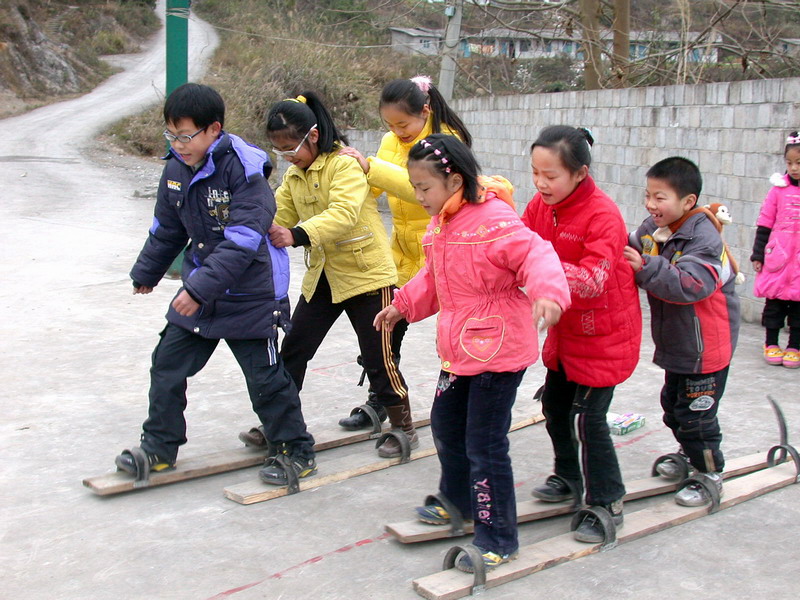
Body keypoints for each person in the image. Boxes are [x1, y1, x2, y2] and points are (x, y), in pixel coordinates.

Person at [373, 134, 571, 573]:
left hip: (498, 351)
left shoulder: (493, 219)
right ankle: (457, 502)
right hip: (460, 350)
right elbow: (434, 277)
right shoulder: (443, 221)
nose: (418, 196)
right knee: (446, 424)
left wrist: (549, 294)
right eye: (415, 187)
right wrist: (402, 305)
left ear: (454, 180)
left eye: (424, 188)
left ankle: (497, 535)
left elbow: (537, 255)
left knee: (484, 443)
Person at [115, 83, 316, 487]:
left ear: (214, 129)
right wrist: (147, 272)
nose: (178, 144)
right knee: (167, 365)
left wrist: (195, 290)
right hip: (203, 290)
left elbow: (241, 243)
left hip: (249, 294)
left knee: (265, 381)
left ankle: (296, 450)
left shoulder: (242, 169)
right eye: (170, 135)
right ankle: (158, 447)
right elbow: (167, 227)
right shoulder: (175, 169)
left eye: (185, 135)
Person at [241, 91, 416, 459]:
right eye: (281, 151)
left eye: (292, 147)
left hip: (368, 276)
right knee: (294, 350)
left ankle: (402, 425)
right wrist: (248, 232)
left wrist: (297, 235)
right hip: (323, 275)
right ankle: (279, 421)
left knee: (378, 356)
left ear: (314, 135)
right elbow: (279, 214)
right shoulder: (294, 175)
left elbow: (344, 213)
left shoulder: (344, 164)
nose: (288, 156)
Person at [521, 126, 642, 543]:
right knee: (555, 407)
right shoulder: (540, 205)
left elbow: (592, 279)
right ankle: (569, 477)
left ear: (579, 173)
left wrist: (540, 273)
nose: (540, 183)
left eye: (550, 175)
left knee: (586, 418)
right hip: (565, 331)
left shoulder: (603, 214)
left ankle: (608, 500)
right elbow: (520, 245)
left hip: (603, 333)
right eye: (536, 172)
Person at [337, 75, 472, 430]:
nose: (398, 132)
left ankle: (466, 402)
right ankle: (380, 401)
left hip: (442, 251)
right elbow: (374, 187)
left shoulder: (446, 143)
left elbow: (421, 192)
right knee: (385, 327)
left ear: (425, 110)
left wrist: (372, 167)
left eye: (404, 124)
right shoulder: (388, 142)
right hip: (400, 252)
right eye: (390, 125)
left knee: (454, 331)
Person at [624, 156, 740, 507]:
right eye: (648, 195)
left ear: (687, 201)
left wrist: (646, 266)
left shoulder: (704, 238)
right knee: (673, 408)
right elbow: (628, 243)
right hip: (679, 344)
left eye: (660, 198)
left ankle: (710, 473)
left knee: (697, 417)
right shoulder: (654, 228)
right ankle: (690, 456)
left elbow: (691, 285)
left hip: (706, 349)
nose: (650, 204)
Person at [750, 131, 800, 369]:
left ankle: (795, 346)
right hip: (778, 258)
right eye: (789, 163)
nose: (793, 168)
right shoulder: (777, 190)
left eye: (799, 163)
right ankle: (771, 342)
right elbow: (764, 223)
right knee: (774, 304)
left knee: (799, 308)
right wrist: (758, 254)